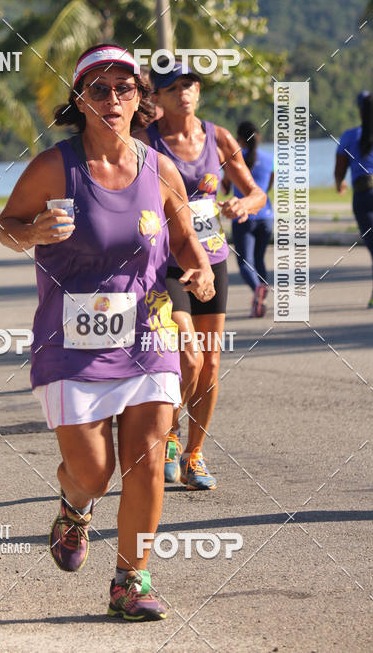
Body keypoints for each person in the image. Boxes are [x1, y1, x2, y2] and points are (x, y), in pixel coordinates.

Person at [0, 44, 214, 621]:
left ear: (141, 98)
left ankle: (131, 581)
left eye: (124, 88)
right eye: (99, 88)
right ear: (79, 99)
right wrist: (34, 231)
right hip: (71, 341)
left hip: (148, 332)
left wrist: (199, 266)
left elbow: (185, 232)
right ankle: (74, 505)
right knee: (95, 470)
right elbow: (7, 228)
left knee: (145, 459)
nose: (112, 99)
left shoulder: (158, 167)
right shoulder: (54, 167)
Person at [136, 60, 266, 489]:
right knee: (188, 356)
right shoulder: (146, 141)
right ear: (156, 97)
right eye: (172, 87)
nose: (184, 92)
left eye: (190, 84)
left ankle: (195, 454)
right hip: (168, 263)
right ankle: (169, 432)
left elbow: (255, 191)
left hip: (213, 260)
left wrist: (243, 206)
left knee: (210, 363)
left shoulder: (218, 137)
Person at [221, 121, 274, 317]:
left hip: (243, 216)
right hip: (266, 215)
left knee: (244, 262)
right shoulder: (270, 158)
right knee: (259, 259)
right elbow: (266, 188)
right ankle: (261, 294)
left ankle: (257, 289)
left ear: (239, 139)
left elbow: (225, 188)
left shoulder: (233, 159)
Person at [335, 91, 373, 309]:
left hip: (366, 194)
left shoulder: (349, 136)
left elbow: (340, 169)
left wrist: (339, 184)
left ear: (361, 111)